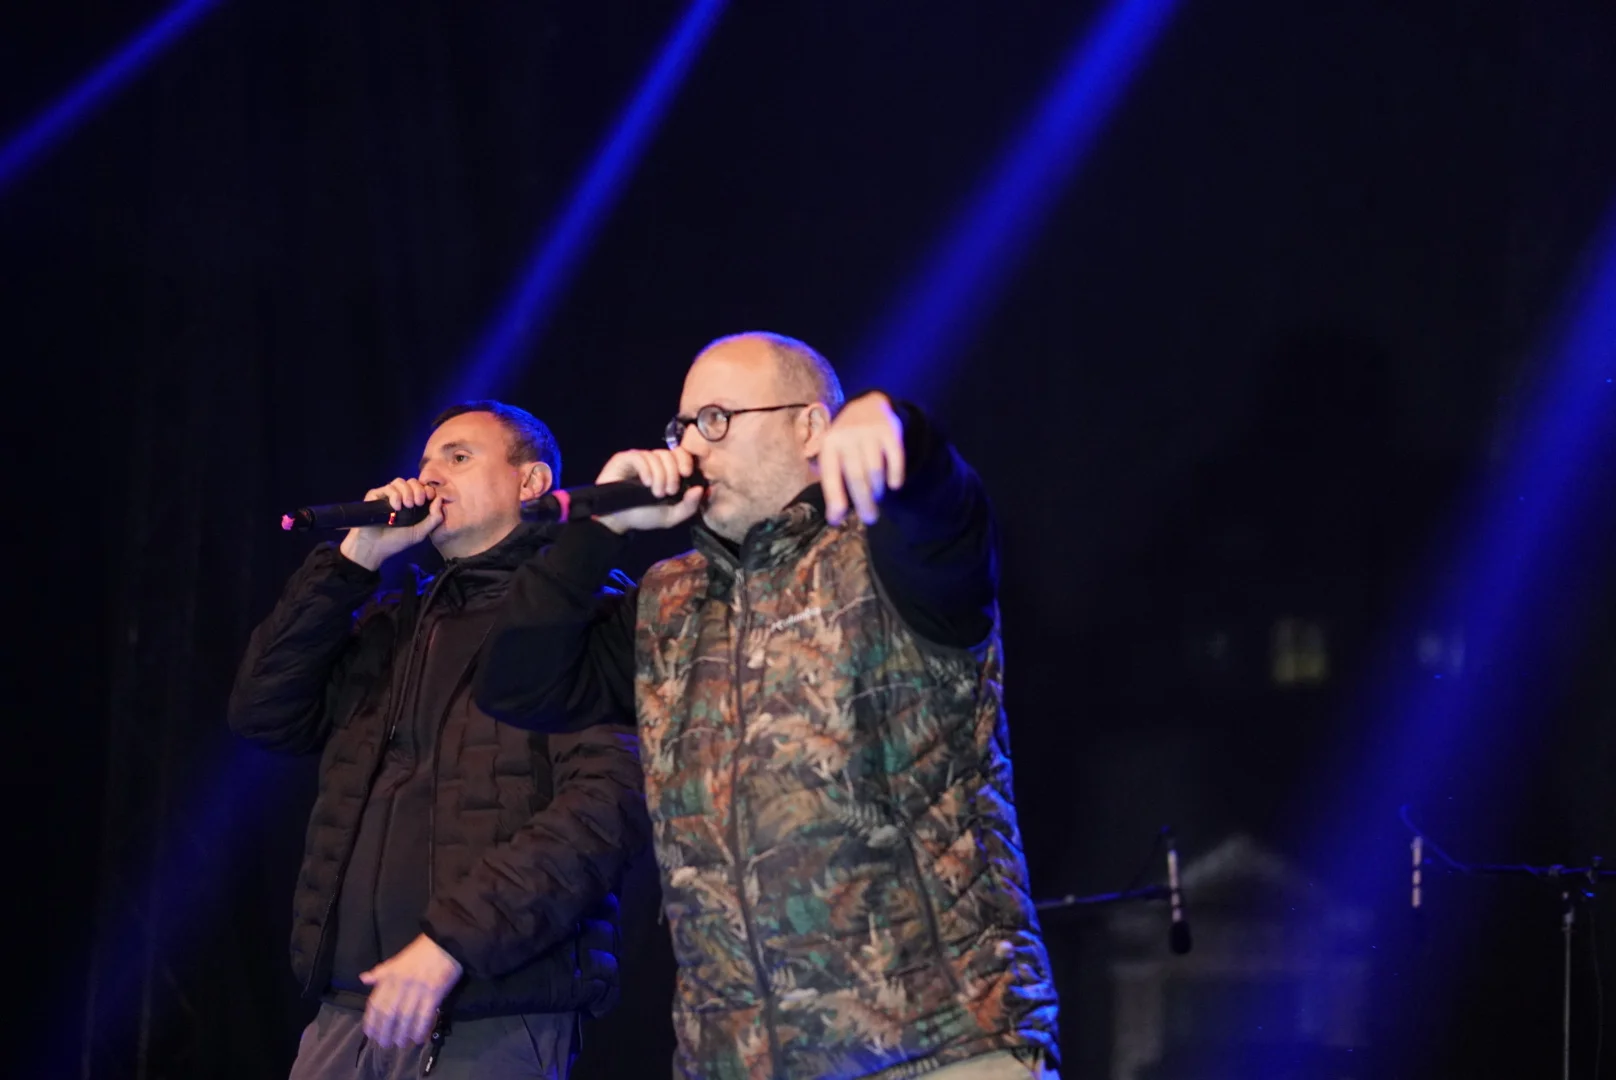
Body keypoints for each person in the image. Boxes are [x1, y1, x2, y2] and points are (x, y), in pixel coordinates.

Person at [476, 334, 1061, 1079]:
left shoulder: (885, 558)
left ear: (812, 426)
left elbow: (950, 513)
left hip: (937, 1045)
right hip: (741, 1061)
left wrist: (895, 425)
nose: (691, 447)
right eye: (683, 426)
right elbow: (517, 684)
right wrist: (599, 532)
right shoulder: (669, 600)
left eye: (716, 420)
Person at [228, 401, 648, 1080]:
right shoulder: (394, 623)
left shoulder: (584, 617)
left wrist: (453, 941)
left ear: (531, 481)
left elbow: (604, 809)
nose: (430, 478)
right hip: (351, 1007)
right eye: (424, 463)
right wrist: (355, 560)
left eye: (458, 458)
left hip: (491, 1007)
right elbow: (262, 714)